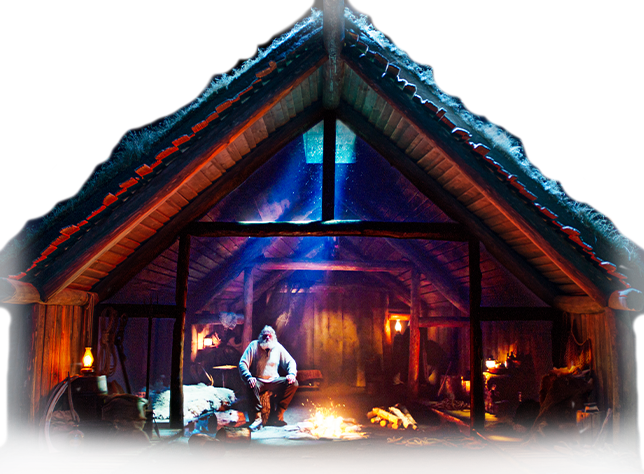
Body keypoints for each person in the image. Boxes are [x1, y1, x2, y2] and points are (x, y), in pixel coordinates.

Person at [238, 325, 298, 430]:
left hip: (274, 380)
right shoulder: (253, 346)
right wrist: (248, 377)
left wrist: (292, 374)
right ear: (261, 336)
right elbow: (242, 363)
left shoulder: (278, 347)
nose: (267, 338)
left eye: (270, 336)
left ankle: (278, 414)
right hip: (258, 380)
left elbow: (290, 361)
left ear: (273, 337)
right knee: (252, 385)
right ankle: (258, 418)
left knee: (294, 383)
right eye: (265, 336)